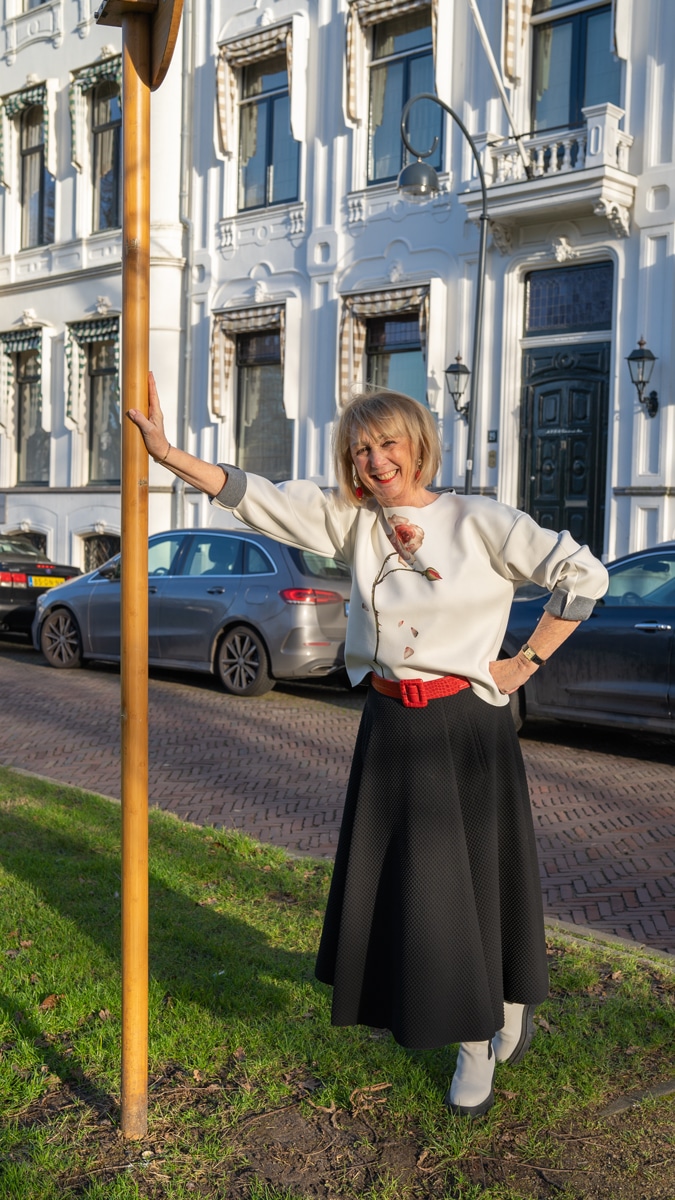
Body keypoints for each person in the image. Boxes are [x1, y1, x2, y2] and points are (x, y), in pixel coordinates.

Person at [128, 378, 608, 1118]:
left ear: (415, 445)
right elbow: (255, 495)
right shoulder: (352, 522)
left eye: (386, 443)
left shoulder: (478, 520)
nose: (375, 459)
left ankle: (482, 1027)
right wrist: (167, 454)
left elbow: (583, 575)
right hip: (389, 725)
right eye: (360, 449)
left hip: (465, 725)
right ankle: (490, 1008)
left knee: (471, 879)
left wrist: (523, 664)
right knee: (420, 887)